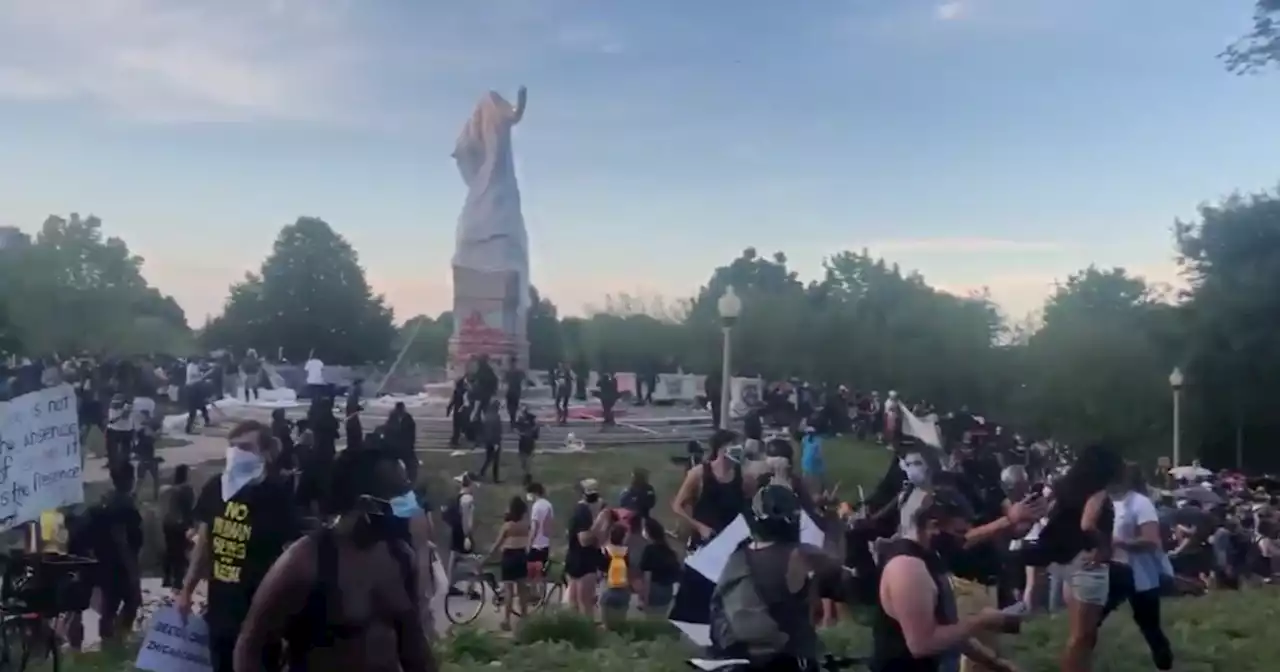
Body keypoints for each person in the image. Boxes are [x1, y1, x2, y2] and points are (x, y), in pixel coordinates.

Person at [234, 447, 437, 672]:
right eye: (399, 496)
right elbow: (250, 647)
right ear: (366, 505)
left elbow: (414, 646)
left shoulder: (400, 558)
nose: (410, 507)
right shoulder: (305, 563)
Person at [176, 420, 301, 672]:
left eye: (245, 447)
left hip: (260, 616)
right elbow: (205, 542)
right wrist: (187, 589)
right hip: (220, 610)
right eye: (232, 447)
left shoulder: (276, 496)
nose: (236, 453)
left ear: (265, 453)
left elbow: (292, 556)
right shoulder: (215, 489)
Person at [709, 483, 856, 672]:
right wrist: (832, 517)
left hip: (734, 658)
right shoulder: (802, 556)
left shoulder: (735, 558)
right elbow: (837, 567)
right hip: (788, 660)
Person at [872, 486, 1020, 672]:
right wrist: (981, 621)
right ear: (933, 526)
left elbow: (948, 628)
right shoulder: (908, 567)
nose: (963, 539)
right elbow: (922, 644)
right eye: (958, 532)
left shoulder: (931, 558)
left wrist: (994, 663)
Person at [1032, 443, 1122, 672]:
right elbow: (1087, 523)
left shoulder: (1065, 487)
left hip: (1067, 561)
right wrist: (1104, 545)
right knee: (1083, 636)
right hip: (1089, 564)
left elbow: (1049, 514)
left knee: (1080, 634)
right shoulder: (1098, 491)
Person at [1104, 463, 1173, 670]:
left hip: (1141, 574)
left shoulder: (1141, 503)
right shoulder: (1108, 502)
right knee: (1092, 619)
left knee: (1149, 625)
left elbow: (1151, 540)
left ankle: (1164, 662)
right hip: (1113, 571)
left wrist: (1119, 543)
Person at [87, 462, 143, 647]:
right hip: (121, 565)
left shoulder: (106, 501)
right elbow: (122, 541)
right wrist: (133, 572)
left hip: (104, 563)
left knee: (109, 606)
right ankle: (118, 639)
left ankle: (108, 641)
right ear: (129, 479)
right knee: (132, 602)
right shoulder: (124, 507)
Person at [672, 429, 747, 551]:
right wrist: (700, 527)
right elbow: (677, 506)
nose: (740, 448)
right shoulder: (699, 473)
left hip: (733, 544)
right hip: (705, 543)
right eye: (735, 444)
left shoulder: (741, 474)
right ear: (722, 449)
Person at [485, 496, 531, 631]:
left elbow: (497, 544)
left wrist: (487, 557)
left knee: (509, 591)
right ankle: (525, 617)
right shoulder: (525, 525)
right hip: (521, 556)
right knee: (522, 589)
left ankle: (507, 620)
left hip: (509, 557)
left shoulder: (507, 526)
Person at [565, 478, 608, 618]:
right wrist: (599, 522)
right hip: (584, 561)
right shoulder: (583, 512)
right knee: (583, 603)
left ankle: (575, 633)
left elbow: (599, 541)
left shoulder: (585, 511)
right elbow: (585, 540)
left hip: (577, 559)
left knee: (575, 603)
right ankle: (585, 632)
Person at [161, 464, 196, 589]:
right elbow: (188, 509)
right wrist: (190, 525)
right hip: (180, 524)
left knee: (170, 550)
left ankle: (166, 578)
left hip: (167, 523)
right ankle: (177, 581)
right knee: (180, 552)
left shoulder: (170, 490)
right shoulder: (187, 489)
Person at [638, 518, 679, 614]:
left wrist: (645, 599)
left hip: (654, 590)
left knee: (650, 621)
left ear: (648, 532)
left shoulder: (649, 550)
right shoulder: (669, 551)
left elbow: (647, 577)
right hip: (667, 591)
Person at [443, 474, 476, 584]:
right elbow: (466, 518)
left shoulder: (458, 496)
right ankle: (471, 587)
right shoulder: (468, 499)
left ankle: (449, 583)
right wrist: (467, 535)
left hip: (455, 529)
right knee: (472, 559)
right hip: (463, 531)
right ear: (470, 484)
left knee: (453, 558)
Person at [600, 524, 631, 627]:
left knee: (606, 622)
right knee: (621, 621)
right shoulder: (626, 551)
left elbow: (602, 568)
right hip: (623, 589)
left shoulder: (606, 550)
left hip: (608, 587)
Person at [526, 481, 554, 570]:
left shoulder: (536, 506)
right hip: (545, 544)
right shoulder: (548, 505)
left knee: (532, 574)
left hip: (536, 545)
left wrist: (529, 544)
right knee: (542, 574)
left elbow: (534, 527)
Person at [477, 400, 504, 483]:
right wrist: (496, 443)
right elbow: (497, 431)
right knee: (496, 460)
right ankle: (495, 478)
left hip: (488, 441)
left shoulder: (487, 416)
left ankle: (482, 472)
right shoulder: (496, 417)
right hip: (495, 441)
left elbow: (485, 430)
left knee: (489, 458)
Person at [104, 393, 133, 467]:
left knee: (124, 448)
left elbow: (125, 416)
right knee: (113, 448)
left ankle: (123, 462)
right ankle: (113, 462)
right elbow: (111, 420)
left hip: (123, 429)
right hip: (117, 429)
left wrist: (125, 411)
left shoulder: (127, 407)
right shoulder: (111, 408)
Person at [514, 406, 539, 480]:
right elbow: (516, 428)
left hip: (528, 442)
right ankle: (526, 472)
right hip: (523, 441)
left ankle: (528, 474)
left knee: (527, 459)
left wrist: (532, 433)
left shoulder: (531, 419)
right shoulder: (521, 420)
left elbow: (536, 429)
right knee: (523, 460)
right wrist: (519, 432)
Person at [504, 357, 526, 427]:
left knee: (510, 407)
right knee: (514, 407)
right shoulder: (519, 372)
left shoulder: (508, 372)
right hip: (516, 392)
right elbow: (523, 378)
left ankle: (512, 420)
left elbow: (504, 381)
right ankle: (513, 420)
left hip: (511, 391)